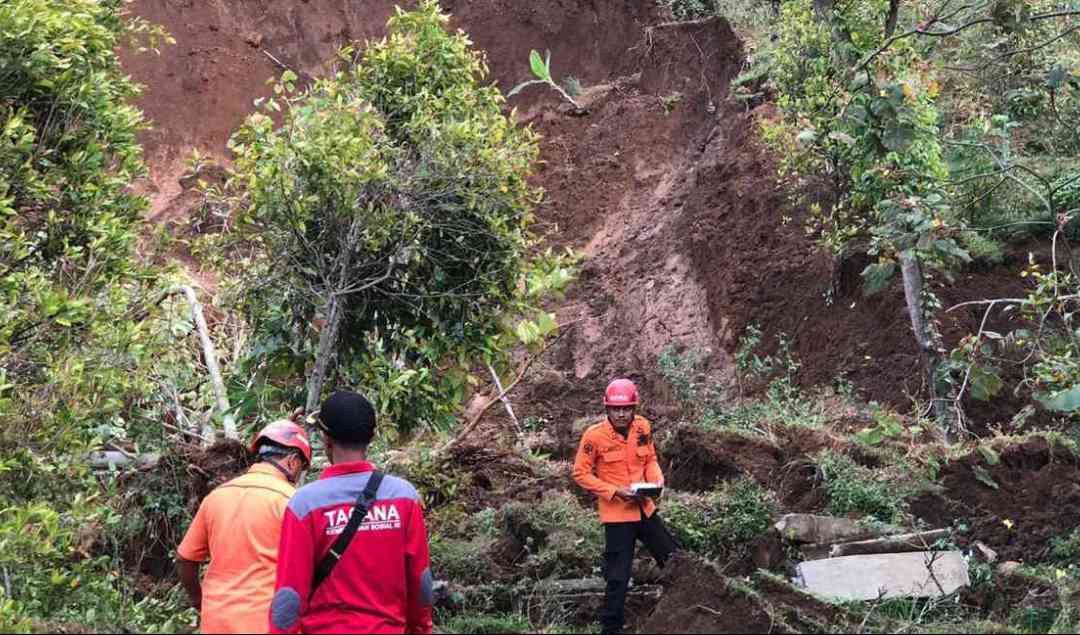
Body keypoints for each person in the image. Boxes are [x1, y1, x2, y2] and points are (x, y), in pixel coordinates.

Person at [269, 390, 433, 634]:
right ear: (371, 437)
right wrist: (421, 628)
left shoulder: (305, 504)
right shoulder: (404, 497)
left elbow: (289, 596)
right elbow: (421, 582)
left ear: (326, 440)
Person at [177, 419, 312, 634]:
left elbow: (185, 559)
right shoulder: (292, 502)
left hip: (216, 623)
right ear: (293, 462)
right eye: (302, 468)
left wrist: (199, 602)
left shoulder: (216, 497)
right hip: (265, 625)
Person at [572, 378, 679, 635]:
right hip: (617, 516)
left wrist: (657, 480)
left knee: (675, 560)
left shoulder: (643, 428)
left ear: (634, 408)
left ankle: (686, 613)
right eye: (615, 409)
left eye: (626, 409)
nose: (621, 414)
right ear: (607, 409)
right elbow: (580, 473)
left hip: (646, 510)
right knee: (618, 577)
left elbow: (650, 458)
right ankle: (611, 629)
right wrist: (613, 491)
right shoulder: (593, 436)